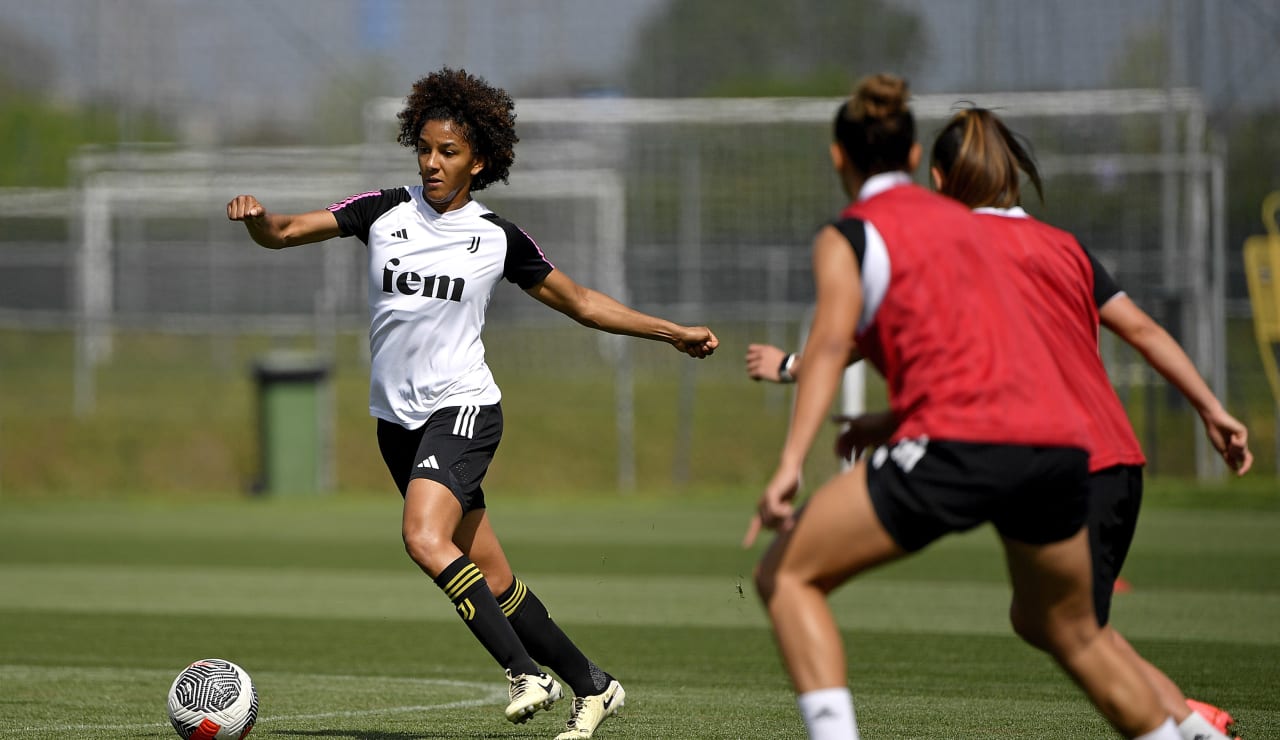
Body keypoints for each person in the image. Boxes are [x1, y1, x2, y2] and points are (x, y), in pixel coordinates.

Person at [227, 67, 718, 740]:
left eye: (448, 152)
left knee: (422, 537)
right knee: (493, 578)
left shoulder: (497, 238)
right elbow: (284, 232)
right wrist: (257, 222)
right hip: (396, 426)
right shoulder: (381, 211)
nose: (431, 162)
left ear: (477, 160)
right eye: (424, 148)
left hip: (462, 411)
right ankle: (595, 686)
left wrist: (672, 332)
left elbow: (583, 305)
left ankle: (522, 672)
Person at [745, 106, 1253, 740]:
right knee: (1061, 626)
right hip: (1096, 451)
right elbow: (1140, 330)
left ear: (933, 174)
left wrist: (795, 380)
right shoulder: (1063, 245)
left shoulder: (950, 239)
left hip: (1007, 442)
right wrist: (1212, 407)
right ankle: (1182, 724)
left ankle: (1186, 721)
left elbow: (865, 338)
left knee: (791, 573)